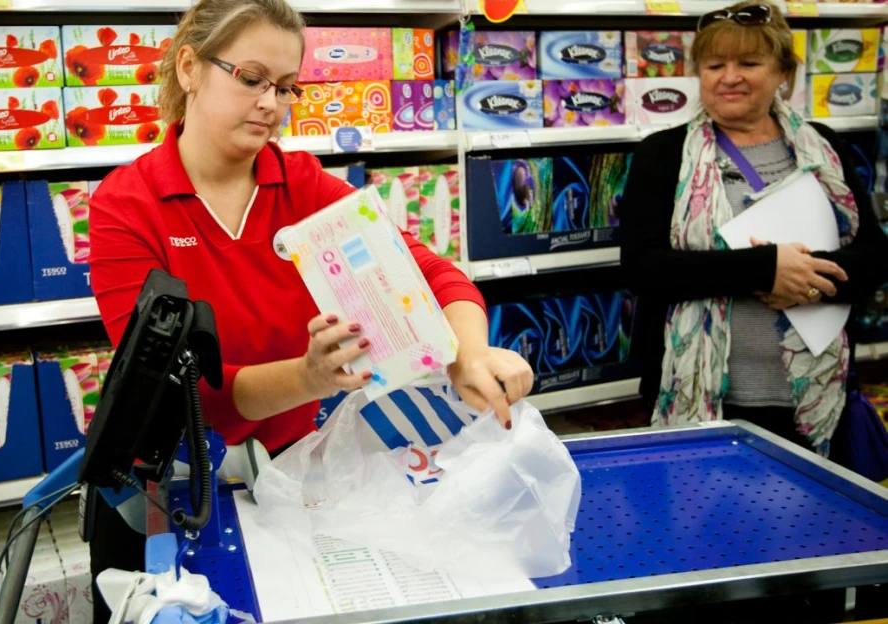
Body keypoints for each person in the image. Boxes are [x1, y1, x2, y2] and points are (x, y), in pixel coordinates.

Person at [85, 0, 534, 619]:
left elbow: (432, 273)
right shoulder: (126, 206)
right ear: (190, 67)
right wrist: (308, 377)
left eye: (287, 87)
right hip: (161, 497)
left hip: (286, 484)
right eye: (251, 78)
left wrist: (467, 354)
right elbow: (184, 392)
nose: (271, 103)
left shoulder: (304, 187)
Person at [621, 1, 888, 456]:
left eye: (749, 63)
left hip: (814, 398)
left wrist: (809, 281)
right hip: (706, 398)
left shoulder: (822, 147)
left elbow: (874, 256)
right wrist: (765, 269)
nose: (729, 77)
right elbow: (643, 268)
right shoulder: (663, 154)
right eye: (714, 64)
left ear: (784, 71)